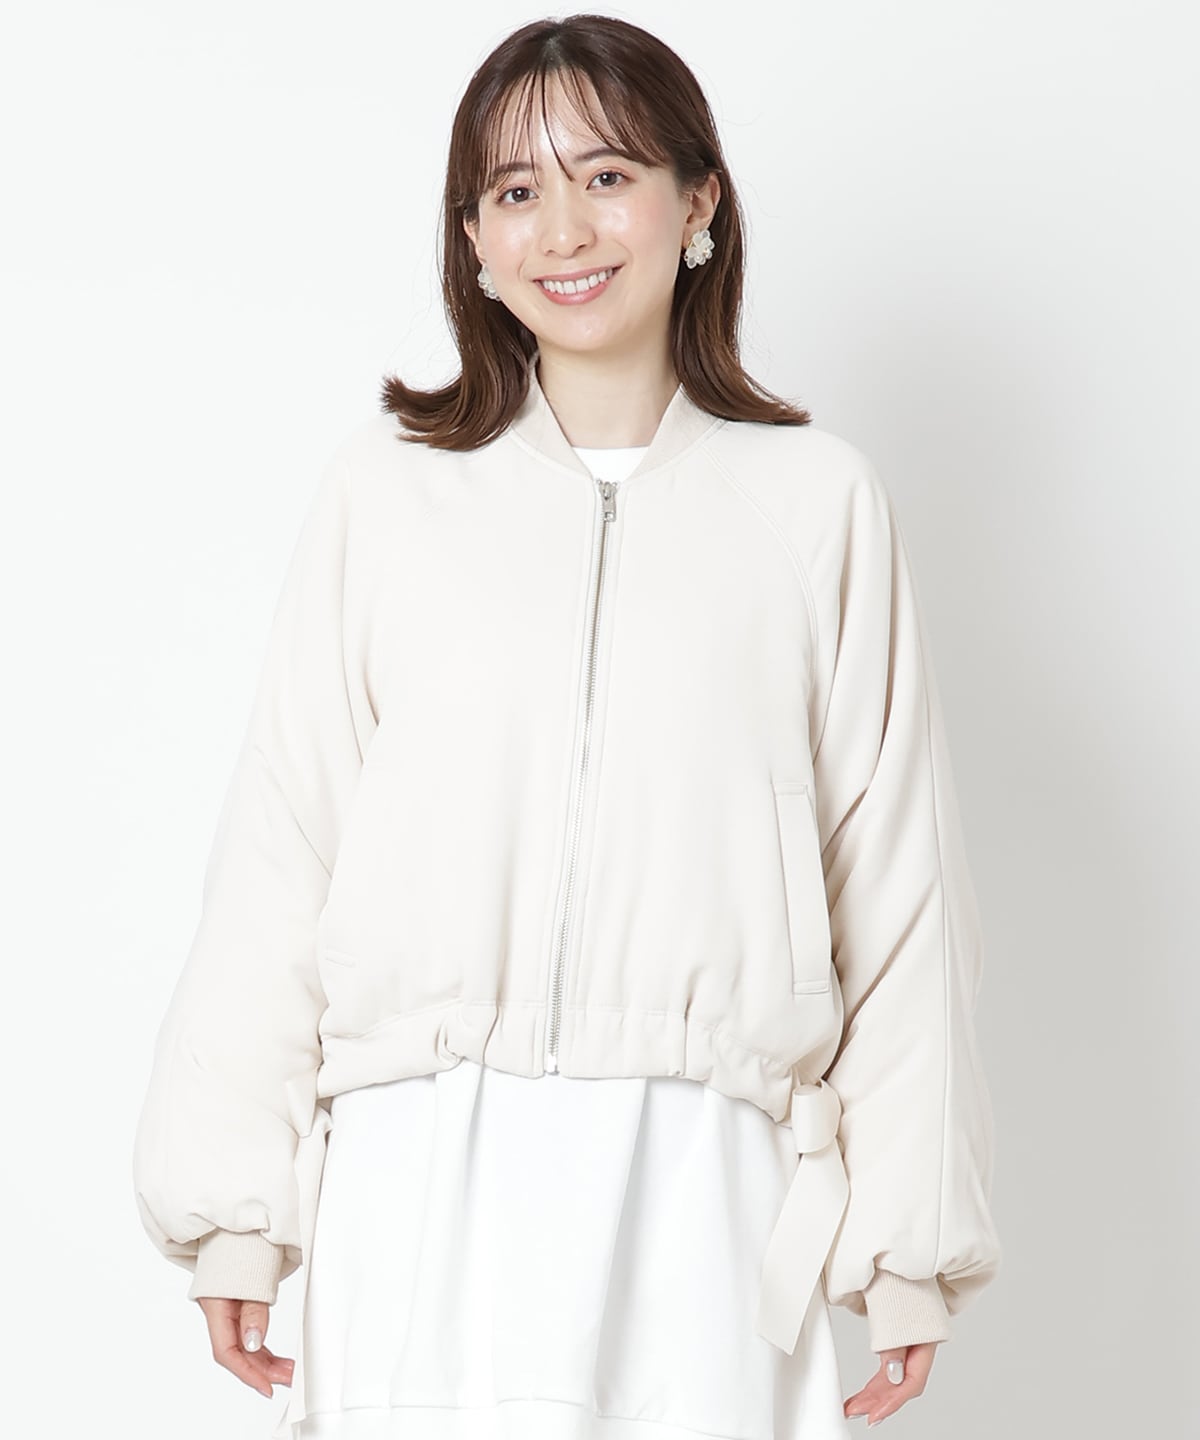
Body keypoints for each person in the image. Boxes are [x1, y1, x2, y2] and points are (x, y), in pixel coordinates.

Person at [132, 15, 1001, 1439]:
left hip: (704, 1182)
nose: (564, 230)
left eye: (607, 177)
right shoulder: (386, 496)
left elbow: (895, 888)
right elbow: (284, 850)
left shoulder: (817, 507)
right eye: (516, 190)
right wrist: (238, 1213)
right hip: (418, 1174)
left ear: (698, 203)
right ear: (473, 239)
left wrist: (907, 1249)